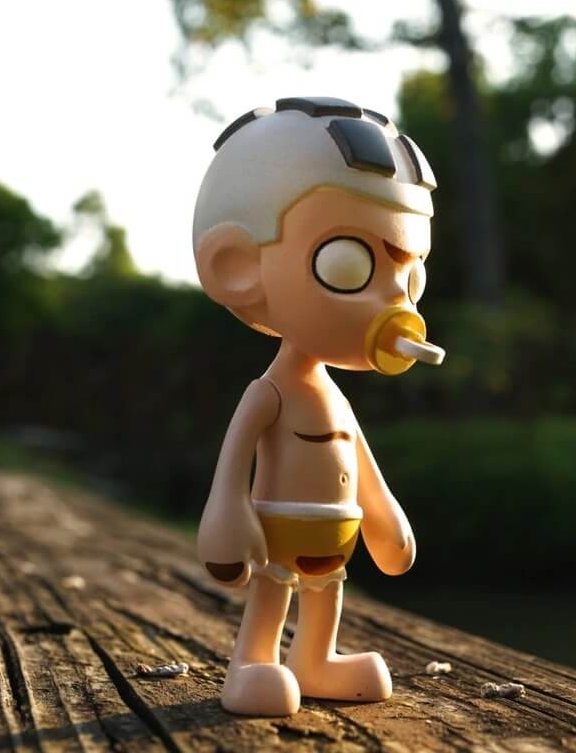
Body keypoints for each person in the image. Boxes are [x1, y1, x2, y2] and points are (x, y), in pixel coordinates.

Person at [193, 96, 444, 716]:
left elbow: (361, 462)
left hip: (335, 537)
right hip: (278, 537)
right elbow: (233, 469)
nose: (397, 302)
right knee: (273, 592)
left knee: (326, 593)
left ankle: (315, 660)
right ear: (237, 267)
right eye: (349, 264)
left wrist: (383, 514)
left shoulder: (335, 399)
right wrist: (227, 518)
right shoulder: (269, 393)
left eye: (410, 277)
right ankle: (253, 663)